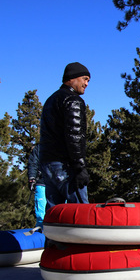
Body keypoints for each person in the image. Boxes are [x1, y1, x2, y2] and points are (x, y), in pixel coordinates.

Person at [39, 62, 91, 208]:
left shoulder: (50, 100)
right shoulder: (72, 100)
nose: (86, 83)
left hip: (47, 163)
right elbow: (74, 135)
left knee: (54, 213)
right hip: (65, 166)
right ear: (72, 78)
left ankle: (49, 232)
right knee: (82, 212)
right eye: (85, 79)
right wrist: (80, 167)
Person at [27, 145, 46, 228]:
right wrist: (32, 178)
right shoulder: (39, 147)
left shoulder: (61, 144)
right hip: (41, 183)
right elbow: (33, 163)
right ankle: (41, 230)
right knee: (41, 213)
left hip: (58, 184)